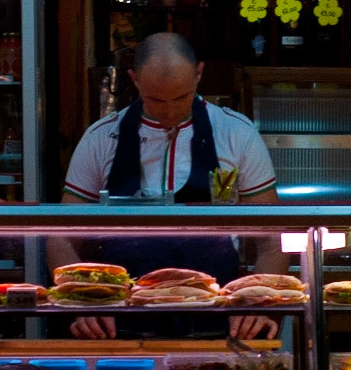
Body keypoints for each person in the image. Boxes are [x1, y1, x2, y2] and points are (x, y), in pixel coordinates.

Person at [48, 32, 286, 340]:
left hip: (216, 317)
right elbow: (61, 237)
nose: (170, 112)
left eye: (181, 97)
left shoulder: (237, 133)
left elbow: (273, 237)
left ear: (199, 74)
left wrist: (259, 303)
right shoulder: (100, 137)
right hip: (119, 319)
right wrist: (79, 302)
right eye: (156, 99)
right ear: (134, 80)